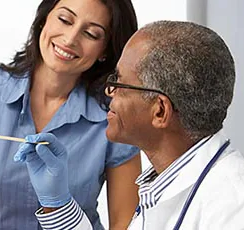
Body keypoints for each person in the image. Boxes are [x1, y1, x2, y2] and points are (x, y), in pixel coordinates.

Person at [15, 20, 244, 229]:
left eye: (119, 82)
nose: (109, 91)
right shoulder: (164, 182)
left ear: (160, 111)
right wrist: (58, 204)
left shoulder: (232, 204)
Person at [0, 0, 141, 229]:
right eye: (64, 19)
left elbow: (127, 224)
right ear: (44, 20)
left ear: (105, 51)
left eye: (91, 34)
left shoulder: (114, 119)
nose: (70, 39)